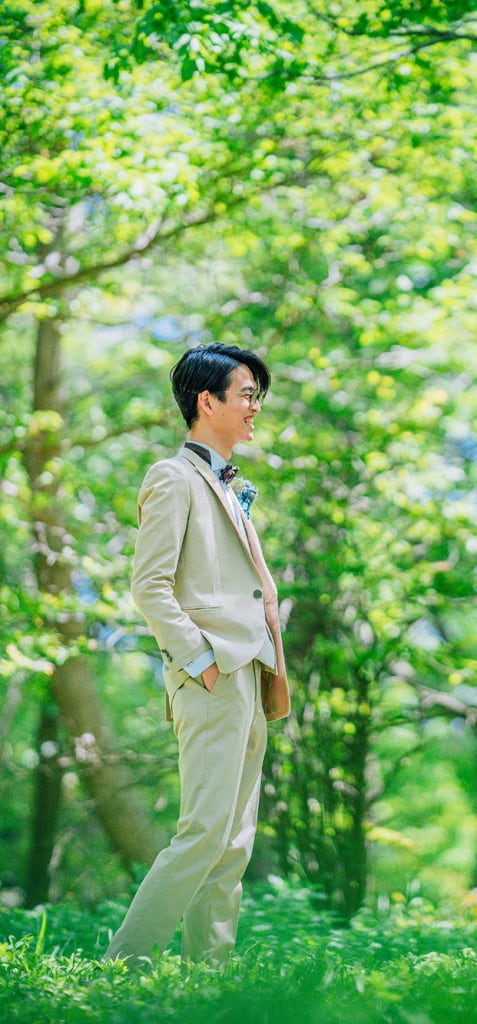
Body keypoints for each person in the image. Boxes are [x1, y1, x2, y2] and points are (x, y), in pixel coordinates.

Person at [104, 343, 290, 967]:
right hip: (211, 673)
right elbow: (149, 584)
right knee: (204, 831)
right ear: (206, 401)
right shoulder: (172, 476)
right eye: (245, 395)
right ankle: (121, 968)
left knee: (233, 842)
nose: (254, 409)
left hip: (251, 674)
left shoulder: (229, 485)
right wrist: (199, 660)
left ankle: (208, 980)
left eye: (257, 398)